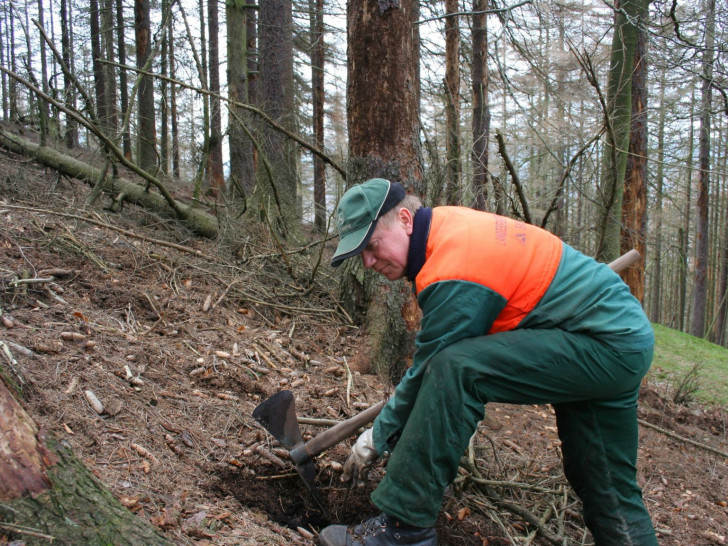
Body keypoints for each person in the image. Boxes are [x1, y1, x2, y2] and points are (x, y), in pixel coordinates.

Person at [318, 178, 658, 546]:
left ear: (404, 219)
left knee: (458, 367)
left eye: (371, 246)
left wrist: (377, 436)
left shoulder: (454, 266)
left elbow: (433, 369)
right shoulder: (447, 227)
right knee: (603, 477)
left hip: (604, 343)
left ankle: (403, 530)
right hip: (622, 337)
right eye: (361, 254)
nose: (367, 262)